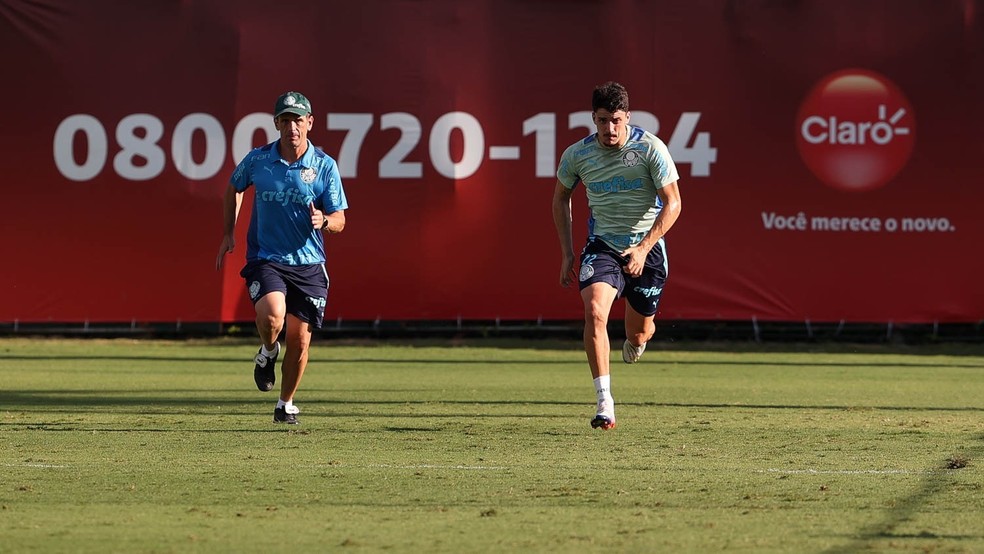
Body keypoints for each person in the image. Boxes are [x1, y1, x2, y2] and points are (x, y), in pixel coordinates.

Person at [552, 81, 682, 430]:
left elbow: (674, 203)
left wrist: (642, 248)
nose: (610, 128)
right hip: (603, 245)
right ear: (593, 119)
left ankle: (638, 340)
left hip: (646, 247)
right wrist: (567, 252)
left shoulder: (650, 148)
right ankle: (604, 402)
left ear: (628, 117)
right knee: (594, 311)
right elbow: (560, 197)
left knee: (639, 333)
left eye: (616, 120)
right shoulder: (577, 155)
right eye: (602, 120)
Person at [216, 91, 348, 425]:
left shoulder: (323, 165)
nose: (292, 127)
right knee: (274, 316)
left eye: (298, 119)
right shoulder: (259, 160)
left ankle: (285, 403)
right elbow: (235, 186)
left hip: (309, 263)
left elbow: (340, 219)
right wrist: (229, 232)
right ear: (276, 123)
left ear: (310, 123)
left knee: (300, 340)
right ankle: (268, 352)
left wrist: (325, 221)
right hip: (267, 257)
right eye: (285, 120)